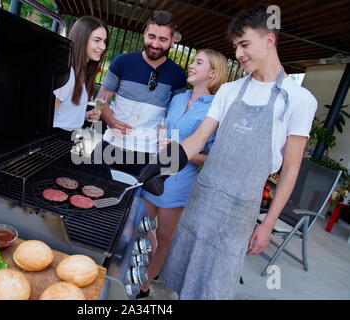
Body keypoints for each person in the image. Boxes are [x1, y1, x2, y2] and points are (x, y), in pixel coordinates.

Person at [138, 4, 317, 299]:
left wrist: (269, 223)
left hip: (239, 210)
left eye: (245, 44)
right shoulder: (230, 90)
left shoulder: (298, 100)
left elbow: (291, 169)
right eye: (236, 46)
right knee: (180, 276)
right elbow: (197, 139)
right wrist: (161, 165)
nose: (239, 54)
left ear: (269, 40)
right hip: (203, 195)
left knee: (213, 284)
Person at [137, 49, 228, 298]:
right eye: (193, 61)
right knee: (141, 229)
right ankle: (133, 273)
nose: (191, 66)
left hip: (178, 183)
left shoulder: (215, 109)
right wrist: (160, 137)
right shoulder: (178, 98)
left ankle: (144, 287)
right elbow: (164, 126)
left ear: (212, 73)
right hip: (154, 172)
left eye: (198, 63)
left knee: (164, 237)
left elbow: (211, 157)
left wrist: (177, 150)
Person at [93, 10, 187, 177]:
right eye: (151, 36)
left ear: (172, 40)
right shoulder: (122, 62)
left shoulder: (178, 75)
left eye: (163, 39)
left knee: (128, 200)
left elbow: (175, 116)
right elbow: (101, 99)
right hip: (111, 144)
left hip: (147, 153)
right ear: (144, 33)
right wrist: (111, 121)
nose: (155, 44)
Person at [52, 16, 108, 141]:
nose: (103, 46)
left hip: (72, 135)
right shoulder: (68, 73)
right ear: (82, 39)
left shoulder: (81, 72)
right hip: (57, 138)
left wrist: (85, 115)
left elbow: (65, 113)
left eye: (104, 41)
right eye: (97, 40)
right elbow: (47, 118)